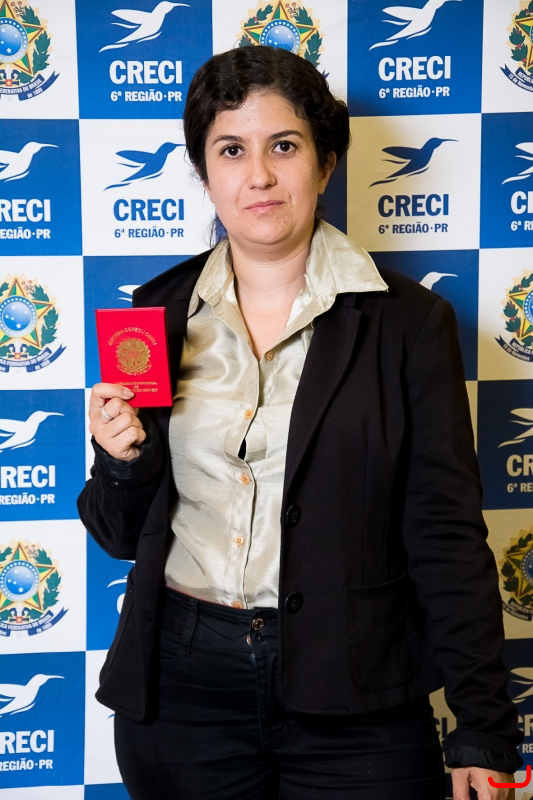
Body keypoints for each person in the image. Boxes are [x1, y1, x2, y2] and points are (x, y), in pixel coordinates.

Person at [78, 46, 524, 800]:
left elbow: (445, 537)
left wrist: (482, 726)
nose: (257, 175)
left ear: (326, 164)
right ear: (204, 172)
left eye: (283, 146)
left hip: (359, 690)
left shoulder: (411, 325)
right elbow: (119, 535)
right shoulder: (153, 314)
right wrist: (122, 463)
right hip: (183, 695)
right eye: (231, 150)